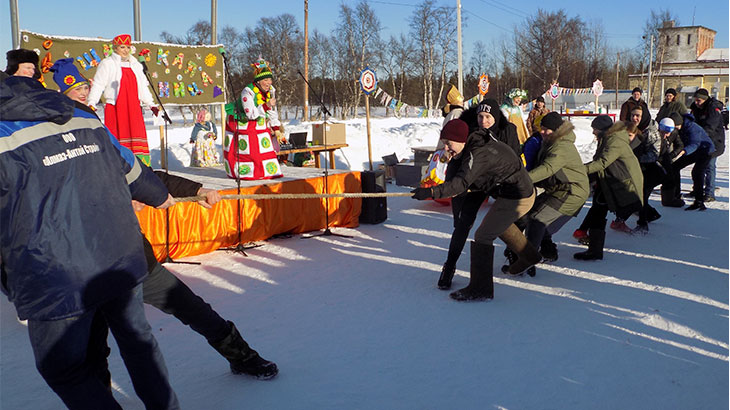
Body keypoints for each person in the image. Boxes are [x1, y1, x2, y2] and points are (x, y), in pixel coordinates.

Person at [51, 59, 279, 381]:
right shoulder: (54, 159)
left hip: (135, 260)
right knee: (94, 345)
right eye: (76, 92)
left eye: (85, 89)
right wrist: (115, 205)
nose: (85, 96)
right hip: (90, 273)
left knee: (194, 309)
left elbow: (147, 176)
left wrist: (198, 189)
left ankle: (242, 356)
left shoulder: (102, 142)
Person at [1, 75, 180, 409]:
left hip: (53, 275)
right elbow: (132, 171)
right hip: (119, 257)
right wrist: (158, 196)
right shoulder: (82, 116)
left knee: (65, 369)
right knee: (138, 341)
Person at [411, 119, 537, 301]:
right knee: (496, 224)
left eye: (448, 143)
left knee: (483, 236)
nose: (446, 148)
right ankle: (529, 256)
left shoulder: (477, 154)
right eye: (444, 143)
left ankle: (480, 288)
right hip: (514, 191)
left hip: (518, 196)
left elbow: (460, 184)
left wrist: (431, 191)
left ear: (460, 140)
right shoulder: (475, 141)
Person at [503, 112, 589, 276]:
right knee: (528, 214)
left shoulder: (561, 146)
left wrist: (522, 179)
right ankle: (546, 251)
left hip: (572, 191)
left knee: (537, 219)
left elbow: (548, 168)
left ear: (557, 130)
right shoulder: (551, 141)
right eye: (542, 128)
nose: (543, 132)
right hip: (559, 189)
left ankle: (527, 260)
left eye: (547, 130)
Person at [574, 115, 643, 261]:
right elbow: (597, 161)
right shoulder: (608, 138)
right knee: (598, 210)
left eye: (595, 130)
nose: (593, 133)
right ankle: (593, 247)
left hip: (621, 183)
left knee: (599, 211)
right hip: (612, 181)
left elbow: (602, 163)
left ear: (602, 130)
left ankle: (594, 250)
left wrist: (578, 170)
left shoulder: (614, 141)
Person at [88, 34, 158, 166]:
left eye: (128, 47)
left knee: (136, 137)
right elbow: (98, 84)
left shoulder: (136, 65)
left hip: (133, 107)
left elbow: (142, 86)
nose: (125, 50)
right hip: (116, 107)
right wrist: (92, 102)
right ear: (115, 48)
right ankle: (119, 166)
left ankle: (140, 167)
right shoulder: (108, 64)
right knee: (118, 138)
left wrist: (151, 104)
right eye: (122, 47)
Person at [223, 58, 283, 180]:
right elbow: (251, 114)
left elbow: (271, 112)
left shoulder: (270, 91)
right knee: (250, 149)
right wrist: (266, 105)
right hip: (241, 122)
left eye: (270, 79)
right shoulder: (248, 91)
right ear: (259, 81)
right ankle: (247, 172)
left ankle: (267, 172)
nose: (269, 82)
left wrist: (276, 129)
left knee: (265, 146)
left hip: (258, 123)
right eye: (266, 80)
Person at [663, 112, 715, 211]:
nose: (675, 129)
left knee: (697, 173)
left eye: (676, 126)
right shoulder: (678, 128)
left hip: (705, 151)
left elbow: (695, 144)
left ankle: (699, 201)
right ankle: (676, 194)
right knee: (675, 167)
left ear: (680, 123)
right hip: (691, 150)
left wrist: (683, 152)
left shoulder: (693, 128)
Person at [690, 88, 725, 202]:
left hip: (714, 142)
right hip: (701, 142)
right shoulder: (696, 108)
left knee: (709, 166)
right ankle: (697, 190)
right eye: (695, 100)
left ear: (704, 100)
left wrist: (698, 135)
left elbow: (710, 127)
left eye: (698, 100)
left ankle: (709, 193)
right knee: (698, 167)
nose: (696, 103)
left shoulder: (713, 109)